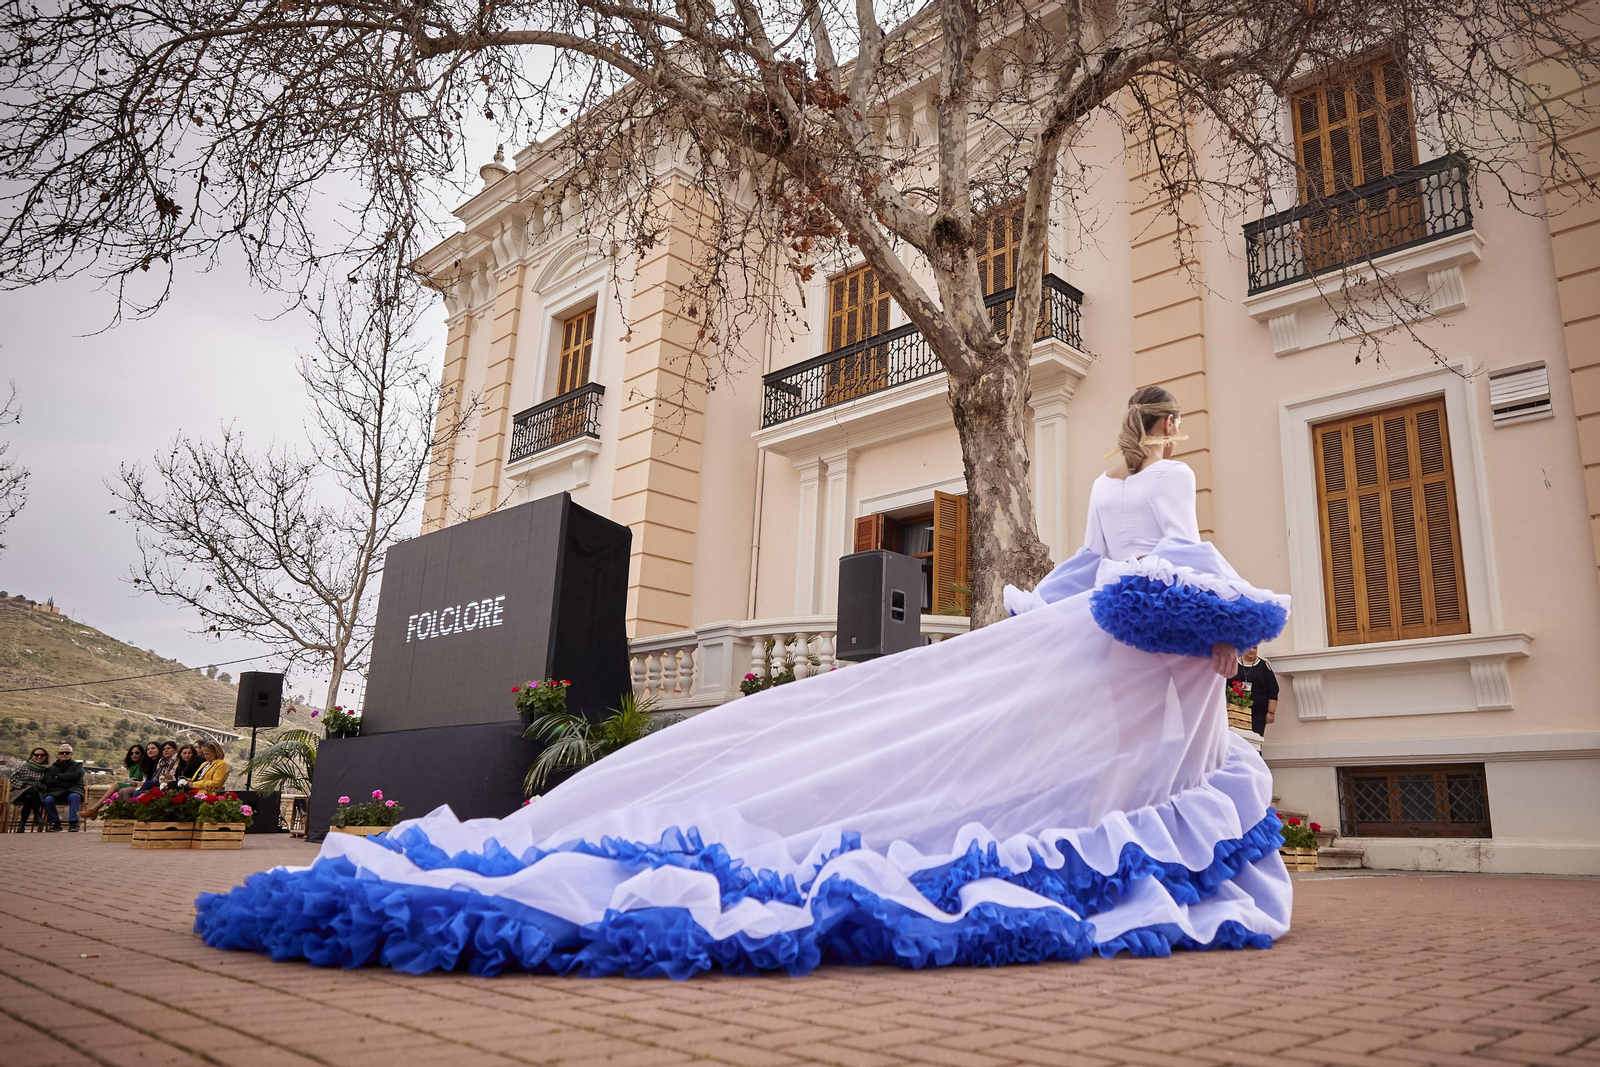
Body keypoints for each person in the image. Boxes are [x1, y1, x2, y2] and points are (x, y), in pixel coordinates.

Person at [197, 385, 1293, 978]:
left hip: (1101, 628)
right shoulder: (1173, 475)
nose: (1177, 434)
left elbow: (1089, 569)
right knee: (1121, 759)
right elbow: (1180, 555)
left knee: (1068, 750)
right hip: (1147, 642)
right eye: (1173, 422)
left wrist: (1049, 614)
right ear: (1164, 428)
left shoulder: (1104, 484)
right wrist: (1226, 629)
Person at [84, 743, 153, 818]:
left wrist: (134, 781)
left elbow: (142, 779)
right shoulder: (133, 766)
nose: (134, 755)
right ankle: (114, 815)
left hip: (139, 785)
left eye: (137, 753)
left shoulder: (143, 765)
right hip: (133, 785)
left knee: (116, 786)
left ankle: (94, 809)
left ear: (142, 754)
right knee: (116, 793)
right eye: (132, 753)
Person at [1231, 646, 1280, 737]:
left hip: (1258, 714)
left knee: (1256, 739)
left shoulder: (1264, 666)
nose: (1252, 650)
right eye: (1249, 647)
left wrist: (1271, 712)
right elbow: (1226, 687)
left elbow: (1273, 689)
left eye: (1255, 648)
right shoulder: (1233, 664)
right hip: (1237, 712)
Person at [41, 743, 87, 832]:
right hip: (56, 792)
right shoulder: (51, 769)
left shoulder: (77, 765)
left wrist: (58, 777)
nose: (64, 754)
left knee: (74, 797)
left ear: (71, 754)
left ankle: (74, 824)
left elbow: (77, 775)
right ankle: (56, 824)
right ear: (58, 754)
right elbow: (49, 782)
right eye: (62, 753)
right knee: (47, 800)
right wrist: (68, 780)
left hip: (73, 791)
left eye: (67, 752)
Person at [10, 747, 49, 831]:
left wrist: (41, 787)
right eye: (36, 755)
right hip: (20, 791)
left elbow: (47, 784)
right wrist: (24, 785)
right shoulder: (23, 766)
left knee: (29, 797)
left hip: (37, 794)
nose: (39, 757)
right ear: (32, 756)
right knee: (33, 791)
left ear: (45, 757)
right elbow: (13, 779)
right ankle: (37, 814)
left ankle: (22, 824)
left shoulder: (46, 770)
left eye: (42, 755)